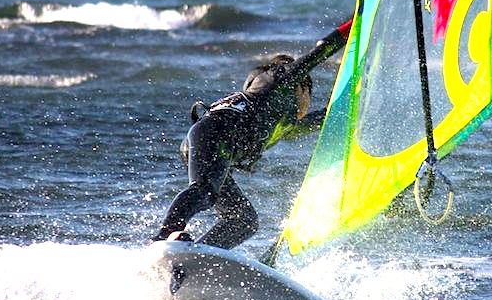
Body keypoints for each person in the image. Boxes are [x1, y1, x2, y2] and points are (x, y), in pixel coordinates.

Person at [151, 19, 352, 249]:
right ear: (302, 88)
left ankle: (197, 254)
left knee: (243, 220)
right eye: (309, 96)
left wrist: (358, 103)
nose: (307, 105)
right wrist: (355, 22)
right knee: (205, 190)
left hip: (212, 143)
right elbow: (321, 51)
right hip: (216, 133)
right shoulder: (280, 80)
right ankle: (163, 237)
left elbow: (323, 119)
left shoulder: (281, 120)